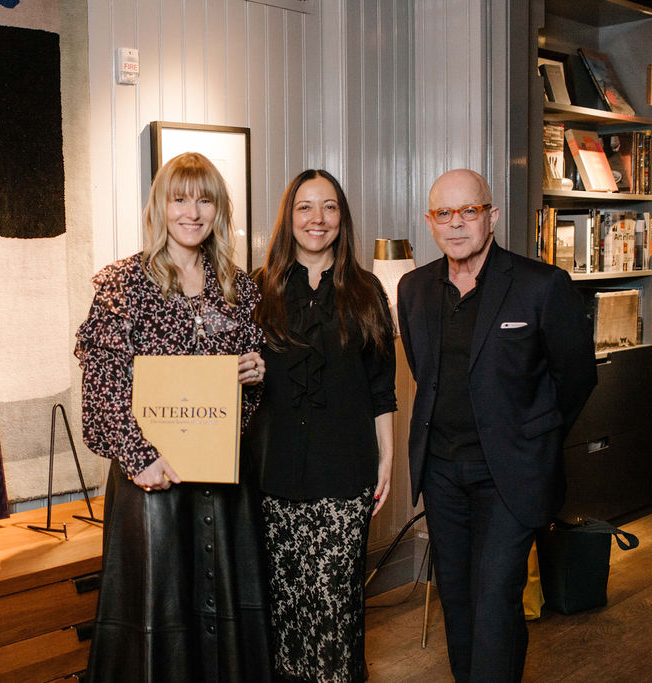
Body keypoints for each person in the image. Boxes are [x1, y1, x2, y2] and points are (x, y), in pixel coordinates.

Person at [75, 152, 271, 682]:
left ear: (219, 209)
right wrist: (141, 458)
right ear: (160, 206)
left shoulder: (236, 285)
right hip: (151, 485)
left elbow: (243, 393)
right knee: (158, 615)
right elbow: (103, 386)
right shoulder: (123, 284)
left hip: (222, 485)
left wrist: (253, 371)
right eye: (179, 198)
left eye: (204, 198)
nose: (192, 211)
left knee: (222, 613)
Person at [396, 169, 597, 682]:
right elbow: (428, 374)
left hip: (510, 477)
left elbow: (575, 376)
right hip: (442, 475)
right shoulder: (415, 289)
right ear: (429, 221)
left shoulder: (540, 285)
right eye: (444, 213)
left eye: (470, 211)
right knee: (460, 603)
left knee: (494, 601)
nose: (457, 223)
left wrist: (531, 437)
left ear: (492, 216)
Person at [252, 169, 396, 681]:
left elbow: (382, 388)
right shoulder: (257, 290)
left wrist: (387, 461)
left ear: (342, 217)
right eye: (305, 207)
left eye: (329, 207)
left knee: (336, 612)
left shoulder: (366, 290)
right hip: (274, 479)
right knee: (285, 611)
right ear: (289, 218)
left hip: (346, 476)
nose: (318, 218)